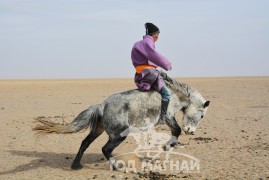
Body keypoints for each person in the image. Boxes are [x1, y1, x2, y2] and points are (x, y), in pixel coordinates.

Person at [131, 22, 172, 125]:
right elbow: (154, 55)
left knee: (163, 76)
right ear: (155, 35)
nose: (158, 37)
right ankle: (163, 118)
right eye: (158, 35)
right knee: (166, 93)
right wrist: (167, 64)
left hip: (140, 73)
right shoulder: (148, 43)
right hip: (149, 73)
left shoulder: (137, 44)